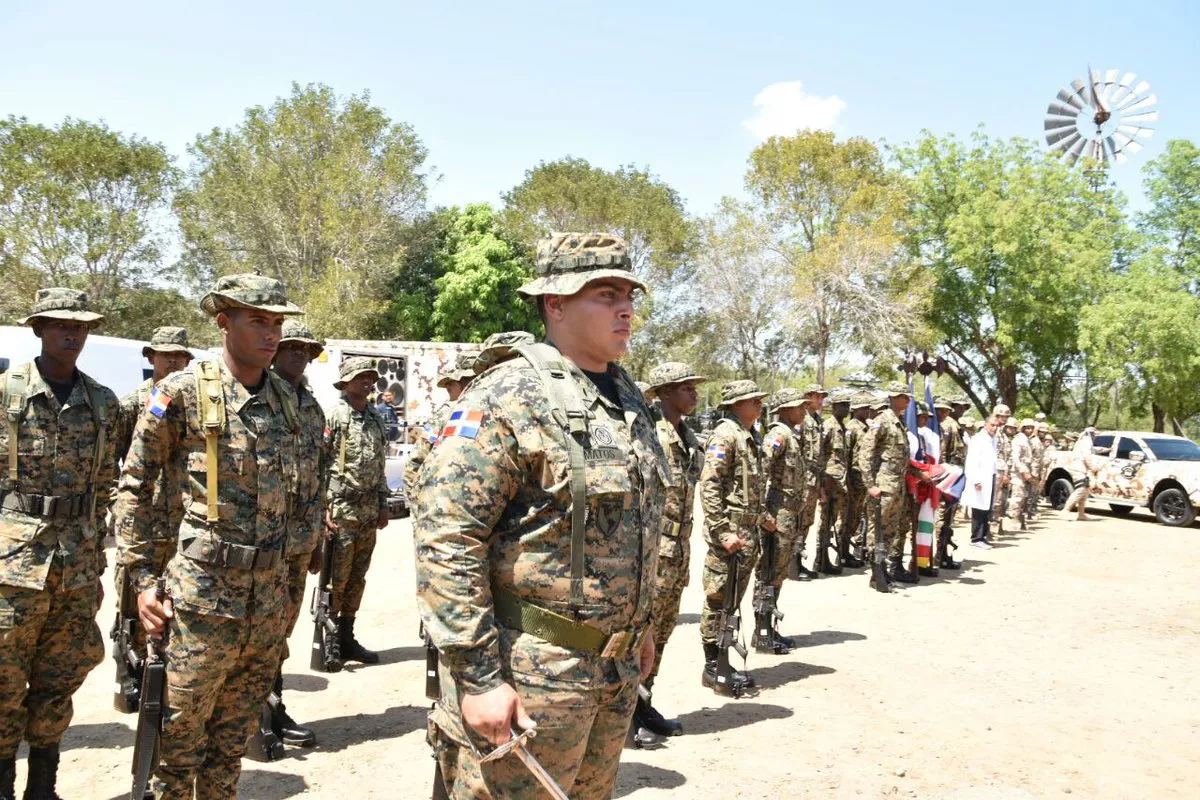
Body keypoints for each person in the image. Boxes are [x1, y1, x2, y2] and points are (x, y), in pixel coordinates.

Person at [414, 233, 664, 800]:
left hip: (611, 671)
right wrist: (478, 679)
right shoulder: (507, 395)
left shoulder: (627, 398)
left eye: (629, 293)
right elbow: (447, 539)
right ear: (555, 303)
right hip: (529, 673)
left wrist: (639, 627)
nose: (625, 308)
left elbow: (631, 526)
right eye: (604, 294)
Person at [114, 274, 303, 799]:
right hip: (201, 597)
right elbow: (134, 487)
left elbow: (300, 498)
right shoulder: (181, 394)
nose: (271, 334)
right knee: (178, 739)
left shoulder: (287, 401)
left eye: (277, 323)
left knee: (233, 740)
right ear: (224, 322)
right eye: (258, 321)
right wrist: (142, 578)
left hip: (264, 599)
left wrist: (289, 585)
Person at [0, 288, 118, 800]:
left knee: (61, 676)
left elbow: (108, 482)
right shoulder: (7, 394)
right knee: (3, 680)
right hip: (11, 562)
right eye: (60, 325)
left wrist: (96, 566)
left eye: (81, 327)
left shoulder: (102, 402)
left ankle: (43, 788)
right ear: (39, 329)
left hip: (76, 559)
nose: (72, 334)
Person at [112, 327, 194, 683]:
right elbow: (119, 462)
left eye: (179, 355)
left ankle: (160, 669)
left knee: (172, 596)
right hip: (142, 519)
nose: (173, 360)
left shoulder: (190, 402)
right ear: (151, 357)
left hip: (178, 518)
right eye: (166, 355)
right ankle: (128, 670)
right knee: (132, 597)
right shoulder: (135, 403)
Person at [635, 361, 706, 745]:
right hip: (652, 553)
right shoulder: (652, 435)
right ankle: (628, 713)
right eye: (686, 387)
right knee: (640, 633)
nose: (694, 393)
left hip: (676, 553)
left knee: (660, 634)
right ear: (664, 392)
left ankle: (645, 704)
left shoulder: (688, 437)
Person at [266, 319, 328, 747]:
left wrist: (318, 536)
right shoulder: (258, 397)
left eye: (306, 349)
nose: (300, 354)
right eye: (292, 347)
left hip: (298, 541)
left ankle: (270, 705)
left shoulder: (311, 405)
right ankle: (256, 710)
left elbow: (320, 475)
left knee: (281, 631)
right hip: (259, 543)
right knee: (257, 631)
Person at [700, 379, 771, 692]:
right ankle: (713, 666)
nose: (759, 404)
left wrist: (763, 518)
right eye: (752, 399)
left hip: (747, 531)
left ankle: (722, 662)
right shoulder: (726, 435)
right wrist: (721, 530)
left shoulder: (750, 436)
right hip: (730, 533)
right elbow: (711, 484)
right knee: (718, 600)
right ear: (735, 404)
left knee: (732, 602)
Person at [324, 357, 389, 665]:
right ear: (346, 382)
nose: (367, 382)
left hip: (367, 510)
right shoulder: (335, 416)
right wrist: (322, 508)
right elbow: (320, 463)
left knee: (357, 578)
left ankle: (348, 637)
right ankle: (330, 639)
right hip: (341, 508)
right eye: (360, 377)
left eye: (369, 378)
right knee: (337, 577)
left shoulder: (376, 418)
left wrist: (384, 504)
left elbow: (380, 465)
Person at [754, 387, 807, 654]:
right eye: (799, 406)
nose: (804, 410)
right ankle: (762, 631)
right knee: (770, 570)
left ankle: (768, 627)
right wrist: (763, 514)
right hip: (777, 513)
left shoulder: (790, 435)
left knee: (779, 570)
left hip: (789, 512)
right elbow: (760, 473)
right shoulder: (777, 435)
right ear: (785, 408)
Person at [857, 381, 916, 591]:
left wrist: (920, 474)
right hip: (882, 486)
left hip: (896, 486)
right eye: (904, 396)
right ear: (893, 397)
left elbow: (901, 458)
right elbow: (864, 454)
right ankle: (876, 576)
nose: (907, 400)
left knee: (890, 533)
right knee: (877, 532)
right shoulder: (881, 421)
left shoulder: (899, 422)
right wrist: (870, 485)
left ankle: (884, 573)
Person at [403, 353, 475, 508]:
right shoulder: (449, 413)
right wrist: (414, 501)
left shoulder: (483, 409)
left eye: (451, 382)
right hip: (446, 500)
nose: (447, 387)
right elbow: (418, 457)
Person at [814, 390, 852, 574]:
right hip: (829, 482)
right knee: (825, 520)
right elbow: (820, 454)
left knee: (832, 520)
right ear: (834, 407)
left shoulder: (841, 427)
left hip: (839, 483)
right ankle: (820, 558)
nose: (846, 409)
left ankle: (825, 558)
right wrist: (822, 480)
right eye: (843, 405)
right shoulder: (828, 426)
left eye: (848, 405)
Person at [793, 384, 827, 580]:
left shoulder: (817, 421)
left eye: (822, 397)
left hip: (814, 479)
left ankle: (798, 560)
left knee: (806, 521)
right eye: (817, 396)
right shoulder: (801, 420)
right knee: (798, 521)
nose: (821, 400)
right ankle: (792, 564)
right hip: (803, 479)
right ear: (807, 397)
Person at [841, 392, 874, 568]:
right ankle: (843, 552)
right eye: (864, 408)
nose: (867, 411)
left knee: (857, 517)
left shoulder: (867, 427)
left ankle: (852, 550)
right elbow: (846, 455)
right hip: (853, 478)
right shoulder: (851, 428)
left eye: (868, 408)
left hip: (864, 478)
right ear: (856, 409)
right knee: (849, 516)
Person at [934, 397, 963, 570]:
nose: (961, 410)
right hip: (945, 477)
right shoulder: (949, 425)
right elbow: (955, 454)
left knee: (945, 518)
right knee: (944, 517)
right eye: (958, 407)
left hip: (945, 476)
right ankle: (940, 554)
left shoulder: (947, 424)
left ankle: (941, 552)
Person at [964, 415, 1000, 548]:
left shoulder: (993, 439)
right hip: (980, 478)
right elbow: (972, 461)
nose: (995, 428)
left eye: (997, 426)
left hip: (990, 476)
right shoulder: (978, 439)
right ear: (985, 424)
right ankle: (976, 538)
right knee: (979, 507)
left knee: (987, 508)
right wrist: (976, 480)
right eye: (992, 425)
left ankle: (983, 536)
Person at [990, 404, 1013, 536]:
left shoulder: (1003, 434)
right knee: (993, 500)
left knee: (1000, 500)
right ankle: (989, 528)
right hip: (995, 470)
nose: (1004, 419)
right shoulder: (993, 431)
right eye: (1001, 416)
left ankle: (995, 526)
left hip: (1002, 471)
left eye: (1006, 416)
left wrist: (1006, 472)